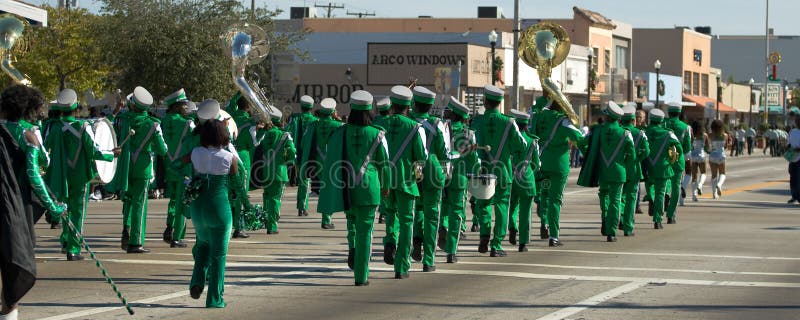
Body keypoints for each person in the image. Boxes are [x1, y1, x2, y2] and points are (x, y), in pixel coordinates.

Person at [1, 84, 67, 320]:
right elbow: (34, 175)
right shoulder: (30, 134)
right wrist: (54, 207)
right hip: (15, 210)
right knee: (14, 270)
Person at [318, 90, 388, 286]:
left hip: (346, 189)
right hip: (369, 190)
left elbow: (329, 153)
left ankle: (352, 249)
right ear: (369, 110)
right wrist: (387, 186)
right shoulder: (377, 133)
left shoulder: (340, 132)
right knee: (366, 232)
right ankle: (361, 275)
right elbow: (384, 163)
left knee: (352, 224)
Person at [44, 89, 118, 260]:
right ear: (76, 108)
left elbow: (45, 148)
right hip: (80, 175)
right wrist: (110, 154)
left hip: (61, 176)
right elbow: (93, 151)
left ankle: (65, 240)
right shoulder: (84, 127)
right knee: (77, 212)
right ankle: (73, 249)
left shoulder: (54, 129)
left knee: (64, 207)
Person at [188, 109, 249, 308]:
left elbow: (176, 164)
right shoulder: (228, 157)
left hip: (198, 208)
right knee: (219, 255)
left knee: (203, 245)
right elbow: (237, 182)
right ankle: (215, 298)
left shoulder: (195, 153)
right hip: (219, 208)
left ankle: (197, 281)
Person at [106, 86, 167, 253]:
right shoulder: (153, 124)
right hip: (143, 168)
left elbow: (106, 130)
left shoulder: (121, 120)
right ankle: (135, 241)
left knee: (128, 199)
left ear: (132, 105)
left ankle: (126, 226)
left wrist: (116, 110)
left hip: (125, 166)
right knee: (140, 204)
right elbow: (162, 150)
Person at [471, 85, 527, 256]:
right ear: (500, 102)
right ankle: (496, 245)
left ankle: (484, 234)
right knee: (502, 206)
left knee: (484, 204)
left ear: (485, 101)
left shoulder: (476, 121)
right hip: (503, 170)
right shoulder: (509, 122)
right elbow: (522, 145)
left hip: (482, 169)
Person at [380, 85, 427, 279]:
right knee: (407, 221)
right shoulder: (414, 127)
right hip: (406, 181)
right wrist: (418, 179)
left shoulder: (380, 123)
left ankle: (390, 241)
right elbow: (421, 158)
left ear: (392, 104)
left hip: (385, 181)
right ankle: (401, 266)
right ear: (408, 106)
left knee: (390, 215)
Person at [530, 93, 584, 246]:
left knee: (545, 195)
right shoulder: (563, 120)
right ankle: (553, 236)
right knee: (555, 199)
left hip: (542, 164)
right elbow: (578, 136)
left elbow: (532, 125)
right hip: (558, 167)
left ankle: (544, 222)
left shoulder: (539, 116)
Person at [579, 102, 634, 242]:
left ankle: (604, 216)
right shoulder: (625, 133)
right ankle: (611, 232)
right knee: (616, 201)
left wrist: (589, 154)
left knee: (604, 195)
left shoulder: (597, 131)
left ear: (606, 116)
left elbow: (581, 143)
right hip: (618, 171)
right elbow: (632, 155)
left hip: (602, 170)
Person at [409, 86, 448, 271]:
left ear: (415, 103)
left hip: (413, 169)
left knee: (417, 209)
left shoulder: (407, 121)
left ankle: (416, 240)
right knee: (432, 215)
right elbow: (443, 151)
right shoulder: (436, 123)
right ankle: (429, 260)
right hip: (432, 170)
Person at [440, 96, 478, 262]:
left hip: (439, 176)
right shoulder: (468, 134)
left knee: (441, 208)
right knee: (457, 212)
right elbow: (473, 159)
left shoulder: (441, 129)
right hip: (459, 178)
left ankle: (443, 226)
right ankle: (451, 251)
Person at [300, 98, 343, 229]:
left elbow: (303, 143)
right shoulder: (339, 126)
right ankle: (326, 219)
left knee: (324, 189)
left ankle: (326, 218)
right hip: (332, 163)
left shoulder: (313, 125)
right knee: (329, 191)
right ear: (333, 112)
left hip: (317, 163)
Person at [160, 89, 194, 247]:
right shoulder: (187, 123)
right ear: (175, 106)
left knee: (173, 200)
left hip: (169, 166)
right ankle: (177, 237)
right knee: (182, 201)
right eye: (183, 105)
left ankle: (169, 226)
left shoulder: (163, 121)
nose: (186, 107)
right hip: (183, 167)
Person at [229, 94, 264, 238]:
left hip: (228, 154)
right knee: (241, 193)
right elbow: (254, 143)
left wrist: (240, 92)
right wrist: (263, 130)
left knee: (229, 192)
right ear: (248, 107)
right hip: (242, 157)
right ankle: (239, 227)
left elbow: (231, 103)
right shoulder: (249, 124)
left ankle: (229, 223)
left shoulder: (230, 116)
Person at [259, 108, 295, 235]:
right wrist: (286, 159)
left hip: (265, 170)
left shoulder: (265, 134)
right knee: (275, 198)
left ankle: (265, 220)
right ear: (279, 120)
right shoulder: (285, 135)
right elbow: (292, 152)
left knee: (267, 196)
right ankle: (272, 226)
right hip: (279, 171)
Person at [507, 109, 539, 251]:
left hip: (512, 177)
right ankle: (523, 242)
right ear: (526, 125)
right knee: (526, 211)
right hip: (527, 179)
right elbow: (536, 164)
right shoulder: (533, 140)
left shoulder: (510, 139)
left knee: (512, 205)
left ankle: (512, 226)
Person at [644, 109, 681, 229]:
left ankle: (650, 197)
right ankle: (657, 220)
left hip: (647, 165)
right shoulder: (668, 133)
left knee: (650, 186)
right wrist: (671, 158)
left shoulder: (644, 132)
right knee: (660, 193)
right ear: (661, 120)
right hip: (662, 167)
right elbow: (678, 148)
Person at [619, 103, 649, 236]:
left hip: (619, 168)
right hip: (634, 169)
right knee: (631, 198)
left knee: (619, 197)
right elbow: (647, 151)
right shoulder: (640, 133)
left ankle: (617, 216)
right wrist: (637, 159)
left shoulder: (618, 131)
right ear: (633, 120)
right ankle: (628, 227)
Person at [287, 95, 318, 217]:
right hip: (308, 154)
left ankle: (301, 207)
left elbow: (287, 130)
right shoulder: (314, 121)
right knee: (305, 181)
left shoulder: (293, 117)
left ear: (301, 106)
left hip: (294, 153)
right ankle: (302, 207)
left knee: (299, 180)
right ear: (311, 107)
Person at [664, 102, 691, 222]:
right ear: (679, 113)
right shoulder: (685, 127)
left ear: (669, 113)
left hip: (664, 158)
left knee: (665, 181)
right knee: (676, 186)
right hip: (678, 158)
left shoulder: (663, 124)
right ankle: (671, 215)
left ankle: (665, 195)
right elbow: (687, 148)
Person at [373, 97, 393, 225]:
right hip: (390, 156)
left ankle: (382, 211)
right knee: (387, 186)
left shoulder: (374, 120)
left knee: (380, 184)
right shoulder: (392, 121)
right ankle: (384, 213)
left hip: (376, 157)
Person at [689, 121, 709, 202]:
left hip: (692, 156)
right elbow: (707, 147)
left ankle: (694, 195)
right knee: (703, 173)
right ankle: (700, 185)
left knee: (694, 176)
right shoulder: (704, 135)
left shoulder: (691, 135)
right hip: (701, 156)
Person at [708, 120, 729, 199]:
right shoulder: (725, 135)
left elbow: (707, 143)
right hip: (721, 156)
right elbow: (726, 146)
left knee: (713, 175)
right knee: (722, 173)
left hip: (712, 155)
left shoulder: (710, 135)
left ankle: (714, 194)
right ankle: (719, 185)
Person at [786, 117, 800, 204]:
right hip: (793, 158)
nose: (798, 122)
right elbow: (789, 144)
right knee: (793, 179)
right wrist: (789, 149)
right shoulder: (793, 132)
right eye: (797, 121)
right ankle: (794, 196)